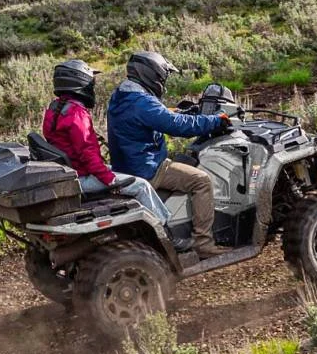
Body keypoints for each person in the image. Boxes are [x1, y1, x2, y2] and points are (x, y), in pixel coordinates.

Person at [43, 60, 187, 248]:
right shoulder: (77, 113)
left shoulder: (55, 109)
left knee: (126, 175)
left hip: (73, 171)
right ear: (78, 82)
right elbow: (87, 152)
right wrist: (108, 179)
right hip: (83, 175)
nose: (91, 86)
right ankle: (167, 234)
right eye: (90, 82)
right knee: (141, 185)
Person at [106, 51, 233, 259]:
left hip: (126, 165)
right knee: (201, 180)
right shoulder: (141, 102)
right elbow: (175, 126)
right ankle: (204, 243)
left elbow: (159, 116)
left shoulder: (121, 95)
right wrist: (216, 120)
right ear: (152, 75)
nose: (163, 81)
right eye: (162, 76)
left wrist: (185, 113)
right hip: (147, 168)